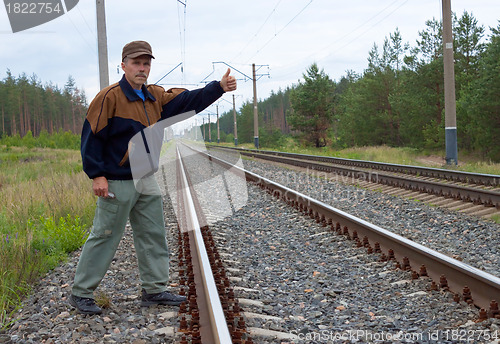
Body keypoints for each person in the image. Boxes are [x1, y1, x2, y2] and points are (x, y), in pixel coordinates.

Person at [70, 40, 237, 315]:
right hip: (117, 180)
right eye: (136, 63)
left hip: (146, 178)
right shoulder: (109, 97)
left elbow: (188, 101)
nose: (142, 68)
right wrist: (96, 175)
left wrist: (217, 88)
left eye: (146, 63)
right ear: (123, 65)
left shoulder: (155, 97)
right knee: (105, 235)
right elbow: (91, 137)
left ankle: (154, 289)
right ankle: (81, 292)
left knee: (153, 234)